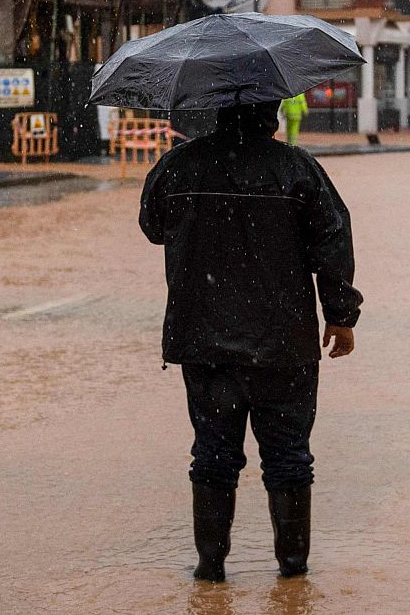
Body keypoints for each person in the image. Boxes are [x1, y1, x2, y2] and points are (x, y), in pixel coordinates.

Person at [139, 100, 362, 582]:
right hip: (283, 344)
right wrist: (341, 316)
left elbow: (153, 228)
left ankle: (210, 570)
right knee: (287, 457)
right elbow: (333, 240)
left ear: (216, 108)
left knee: (214, 455)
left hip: (204, 339)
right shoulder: (297, 168)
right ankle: (293, 574)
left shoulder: (178, 165)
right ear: (273, 112)